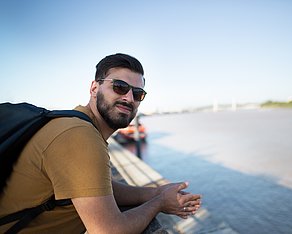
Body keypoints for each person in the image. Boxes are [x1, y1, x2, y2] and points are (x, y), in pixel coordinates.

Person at [0, 53, 201, 233]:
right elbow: (108, 230)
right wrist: (159, 203)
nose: (129, 98)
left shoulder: (77, 124)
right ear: (94, 88)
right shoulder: (79, 136)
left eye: (138, 94)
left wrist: (156, 191)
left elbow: (100, 187)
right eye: (120, 87)